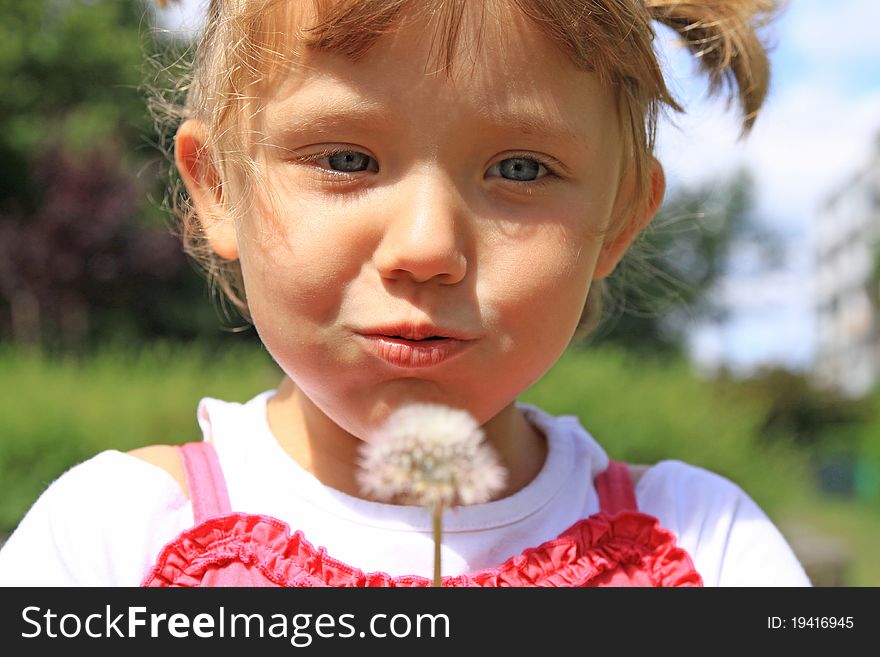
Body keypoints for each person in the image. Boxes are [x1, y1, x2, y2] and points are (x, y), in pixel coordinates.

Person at [0, 0, 810, 587]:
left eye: (520, 169)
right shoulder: (113, 540)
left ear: (622, 215)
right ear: (219, 187)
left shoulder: (709, 546)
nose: (427, 248)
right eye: (347, 160)